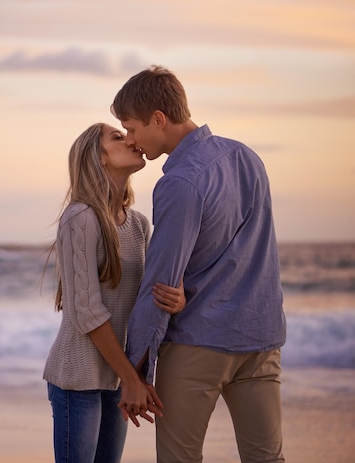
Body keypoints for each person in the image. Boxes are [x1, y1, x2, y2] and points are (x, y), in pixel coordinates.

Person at [111, 65, 287, 463]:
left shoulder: (179, 181)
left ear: (159, 119)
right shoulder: (247, 157)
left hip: (198, 344)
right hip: (261, 336)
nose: (133, 140)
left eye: (132, 128)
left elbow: (161, 279)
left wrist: (136, 369)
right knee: (267, 458)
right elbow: (255, 253)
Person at [43, 122, 186, 463]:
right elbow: (87, 312)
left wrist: (178, 299)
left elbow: (148, 298)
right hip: (78, 378)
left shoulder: (138, 224)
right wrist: (130, 378)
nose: (131, 141)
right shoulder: (80, 218)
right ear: (99, 158)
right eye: (117, 138)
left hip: (116, 377)